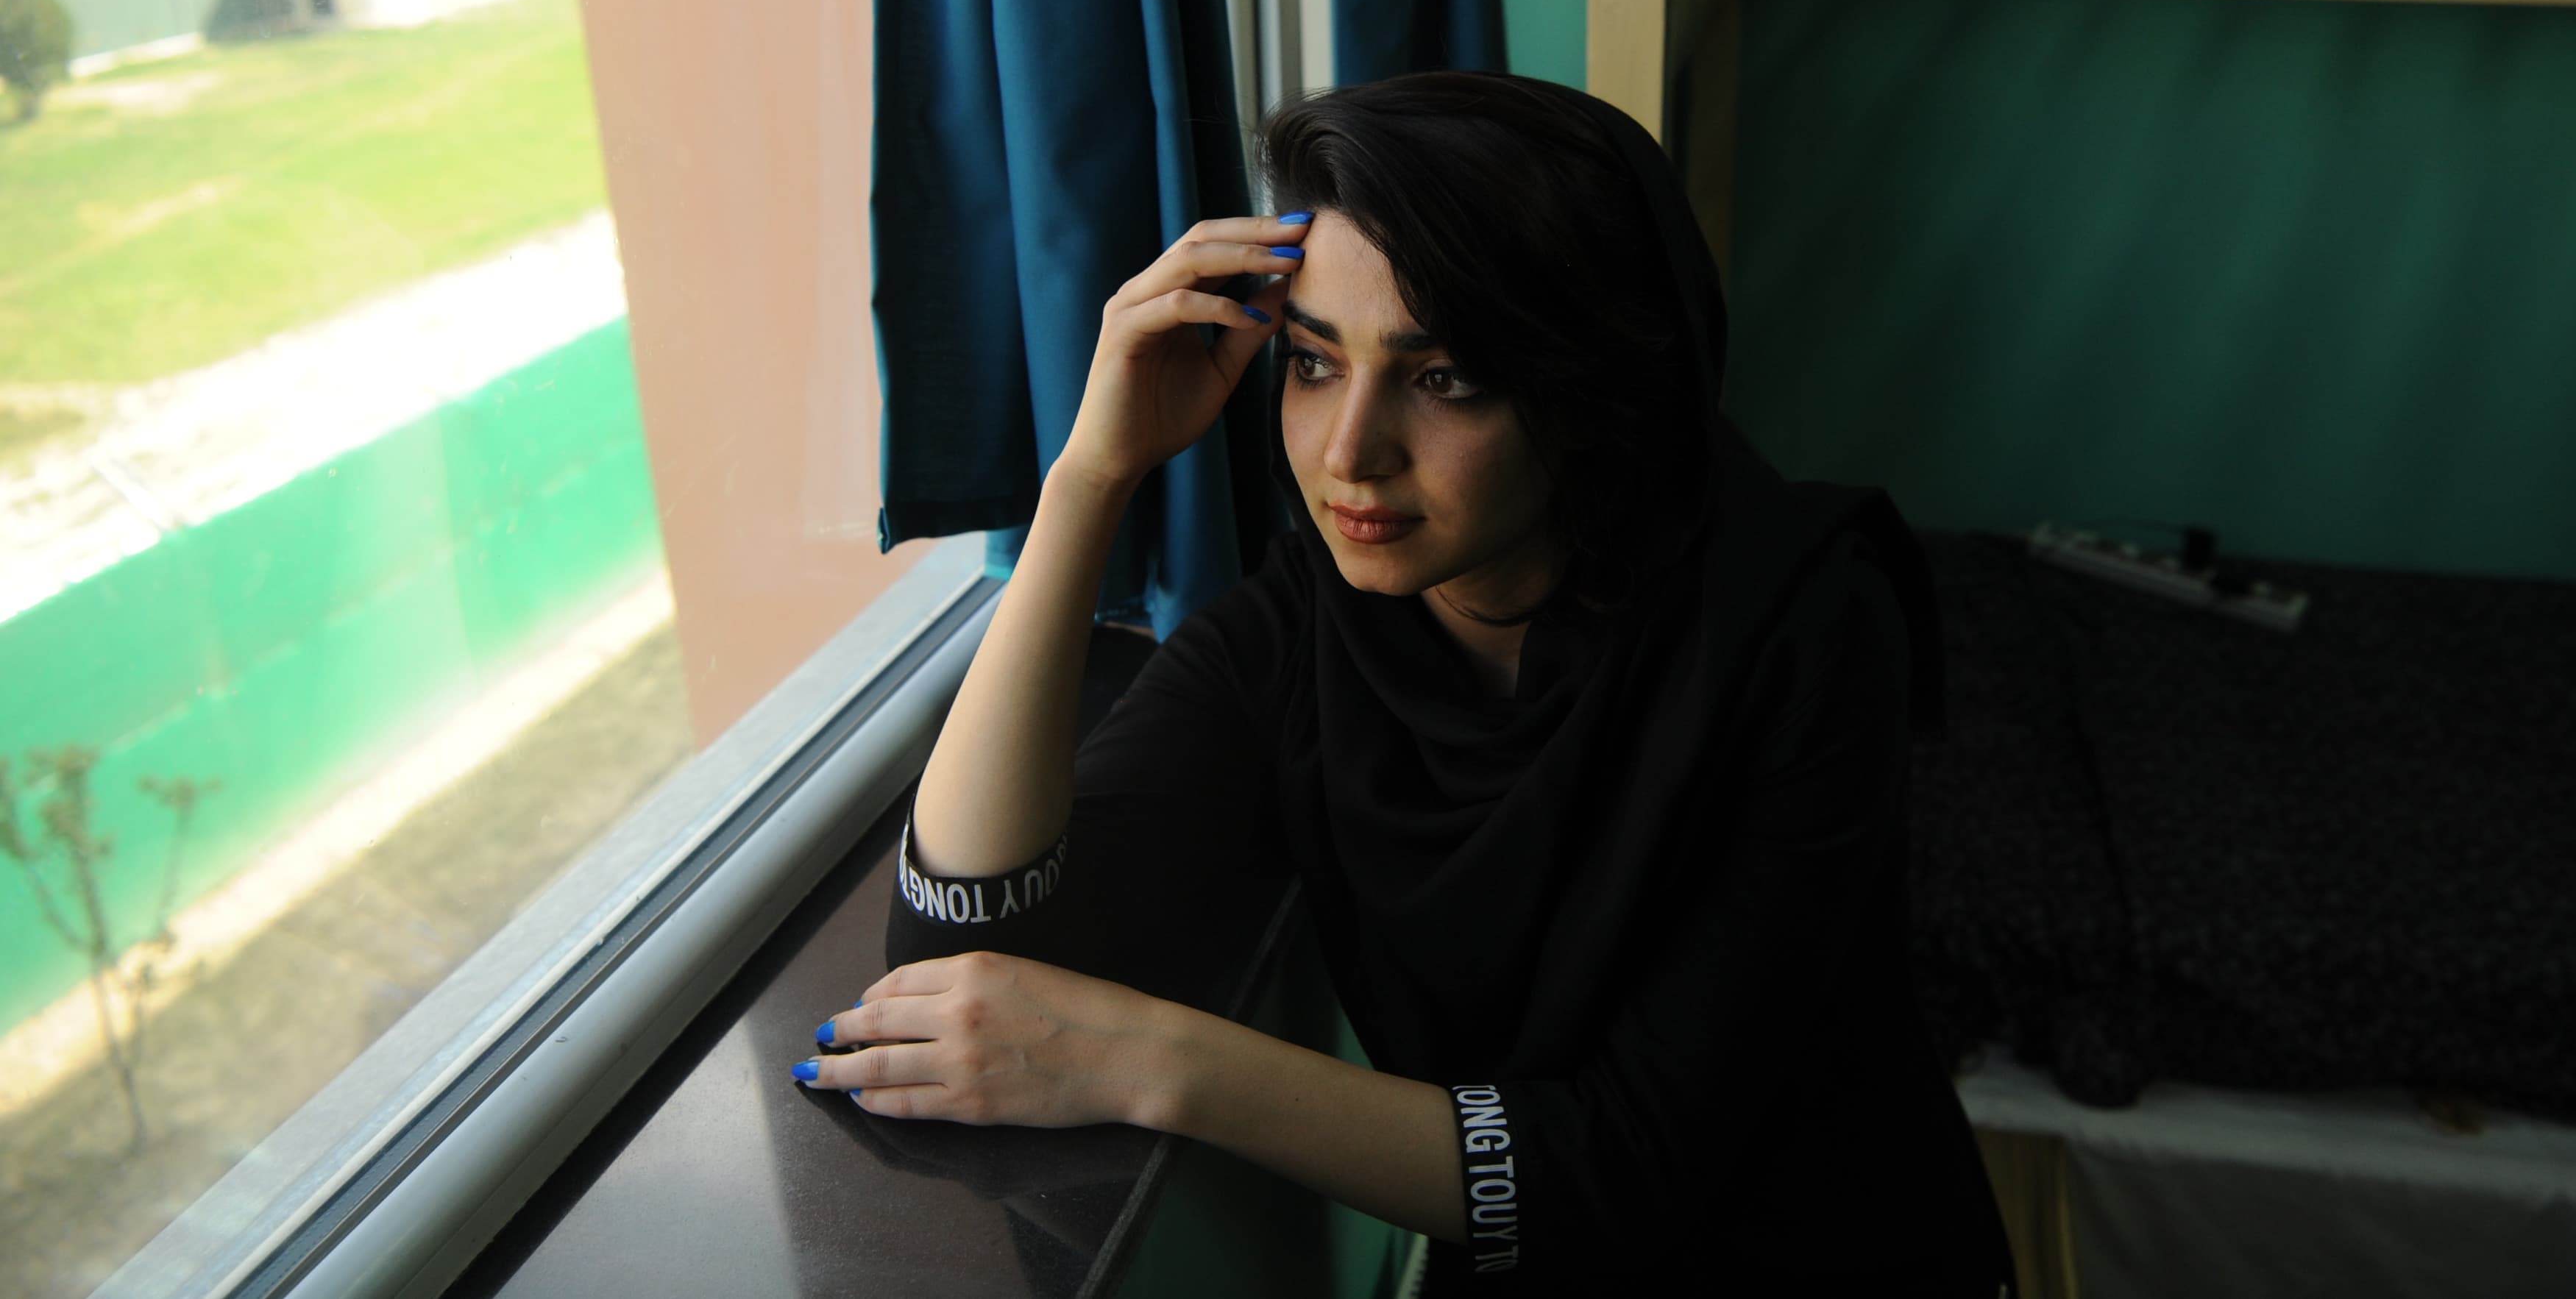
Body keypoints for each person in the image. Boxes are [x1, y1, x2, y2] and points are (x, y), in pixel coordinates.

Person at [798, 73, 2015, 1293]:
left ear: (1588, 396)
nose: (1351, 452)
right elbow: (957, 947)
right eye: (1315, 363)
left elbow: (1636, 1167)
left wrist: (1154, 1060)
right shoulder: (1304, 631)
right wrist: (1089, 478)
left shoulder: (1802, 624)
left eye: (1445, 379)